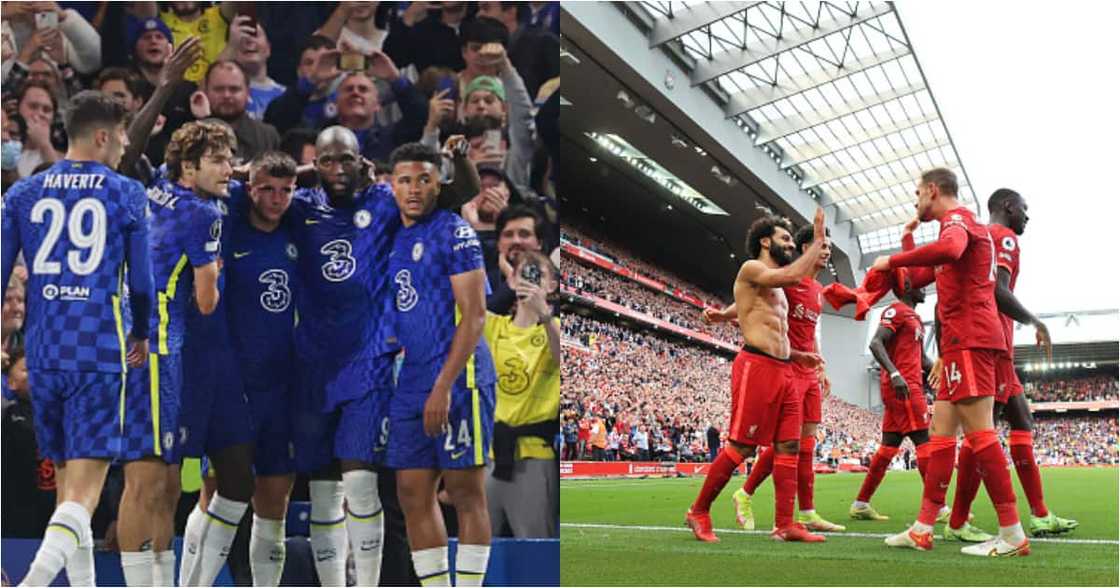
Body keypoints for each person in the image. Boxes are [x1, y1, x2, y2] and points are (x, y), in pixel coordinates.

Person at [2, 90, 154, 587]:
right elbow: (142, 283)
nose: (126, 145)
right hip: (97, 347)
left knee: (67, 490)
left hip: (42, 352)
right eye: (125, 135)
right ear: (105, 136)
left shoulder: (24, 192)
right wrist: (143, 331)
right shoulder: (126, 192)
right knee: (84, 494)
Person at [871, 167, 1029, 557]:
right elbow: (911, 282)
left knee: (980, 434)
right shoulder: (956, 229)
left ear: (932, 190)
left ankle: (1012, 533)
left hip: (972, 339)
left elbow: (950, 250)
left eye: (916, 194)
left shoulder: (958, 223)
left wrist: (892, 258)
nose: (915, 201)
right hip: (961, 343)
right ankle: (924, 527)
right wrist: (906, 241)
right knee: (941, 434)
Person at [386, 142, 495, 587]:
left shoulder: (453, 231)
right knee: (411, 493)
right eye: (405, 180)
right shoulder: (394, 232)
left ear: (439, 184)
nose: (414, 189)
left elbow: (475, 315)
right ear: (391, 185)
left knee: (466, 493)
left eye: (424, 180)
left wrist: (444, 385)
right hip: (412, 377)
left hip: (459, 376)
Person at [684, 209, 828, 543]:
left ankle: (784, 524)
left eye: (794, 241)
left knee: (789, 445)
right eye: (786, 239)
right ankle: (698, 511)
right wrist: (816, 242)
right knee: (742, 446)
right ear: (766, 241)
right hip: (757, 366)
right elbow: (790, 278)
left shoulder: (778, 288)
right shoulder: (753, 268)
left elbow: (774, 327)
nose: (791, 245)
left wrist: (799, 354)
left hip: (785, 369)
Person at [945, 188, 1077, 538]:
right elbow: (997, 290)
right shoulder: (1001, 238)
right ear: (1007, 207)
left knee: (1017, 420)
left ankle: (1037, 513)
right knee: (982, 432)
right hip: (993, 344)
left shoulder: (977, 236)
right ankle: (961, 521)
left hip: (984, 341)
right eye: (1023, 208)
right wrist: (1036, 322)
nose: (1026, 216)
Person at [165, 120, 258, 588]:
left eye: (230, 158)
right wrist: (216, 270)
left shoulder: (161, 190)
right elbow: (206, 300)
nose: (231, 169)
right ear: (188, 167)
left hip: (217, 359)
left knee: (236, 481)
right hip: (184, 359)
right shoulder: (205, 215)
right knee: (171, 490)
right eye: (220, 161)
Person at [725, 225, 844, 533]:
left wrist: (822, 368)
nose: (827, 251)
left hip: (808, 368)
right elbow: (750, 299)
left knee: (804, 445)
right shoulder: (790, 279)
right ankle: (750, 494)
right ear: (805, 249)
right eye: (822, 246)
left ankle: (805, 512)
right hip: (784, 366)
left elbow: (810, 332)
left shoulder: (818, 292)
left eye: (829, 247)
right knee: (787, 444)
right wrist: (723, 315)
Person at [219, 151, 300, 586]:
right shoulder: (230, 223)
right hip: (232, 385)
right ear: (248, 188)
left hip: (282, 387)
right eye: (266, 188)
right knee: (221, 495)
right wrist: (237, 172)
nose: (276, 198)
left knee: (274, 501)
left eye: (285, 190)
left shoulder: (297, 228)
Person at [483, 249, 560, 538]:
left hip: (533, 458)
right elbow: (466, 318)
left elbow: (563, 358)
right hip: (490, 456)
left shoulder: (554, 329)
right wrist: (508, 286)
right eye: (522, 272)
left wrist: (544, 313)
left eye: (535, 273)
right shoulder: (494, 327)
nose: (528, 279)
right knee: (481, 552)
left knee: (534, 546)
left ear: (551, 285)